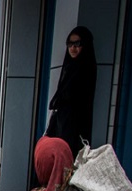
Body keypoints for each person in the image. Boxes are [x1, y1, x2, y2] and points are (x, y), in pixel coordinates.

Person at [46, 26, 97, 159]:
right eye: (70, 44)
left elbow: (82, 104)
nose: (73, 48)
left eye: (77, 44)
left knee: (68, 161)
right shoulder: (69, 67)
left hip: (76, 129)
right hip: (62, 125)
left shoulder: (86, 69)